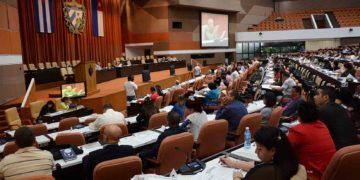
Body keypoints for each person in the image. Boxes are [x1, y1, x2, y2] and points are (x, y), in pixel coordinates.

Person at [220, 127, 302, 180]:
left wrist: (237, 177)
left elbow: (261, 168)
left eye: (259, 149)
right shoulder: (285, 160)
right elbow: (257, 164)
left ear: (272, 150)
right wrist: (234, 163)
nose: (256, 151)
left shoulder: (268, 172)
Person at [288, 101, 336, 179]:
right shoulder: (322, 125)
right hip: (329, 172)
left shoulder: (298, 131)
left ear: (300, 115)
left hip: (313, 174)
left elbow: (283, 148)